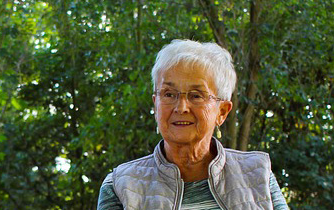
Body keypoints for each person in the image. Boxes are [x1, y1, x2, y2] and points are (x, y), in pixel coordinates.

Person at [96, 40, 289, 210]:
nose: (181, 107)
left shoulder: (257, 175)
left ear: (222, 111)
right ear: (155, 104)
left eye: (196, 95)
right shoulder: (121, 185)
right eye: (169, 94)